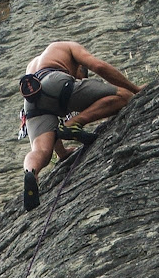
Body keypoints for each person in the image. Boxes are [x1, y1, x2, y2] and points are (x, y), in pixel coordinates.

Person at [21, 41, 143, 211]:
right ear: (79, 69)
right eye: (80, 79)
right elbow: (98, 66)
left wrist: (62, 153)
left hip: (31, 100)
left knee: (40, 151)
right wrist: (136, 89)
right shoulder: (67, 46)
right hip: (55, 81)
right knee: (124, 96)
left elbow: (53, 119)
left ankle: (30, 172)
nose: (80, 81)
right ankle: (75, 123)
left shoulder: (33, 63)